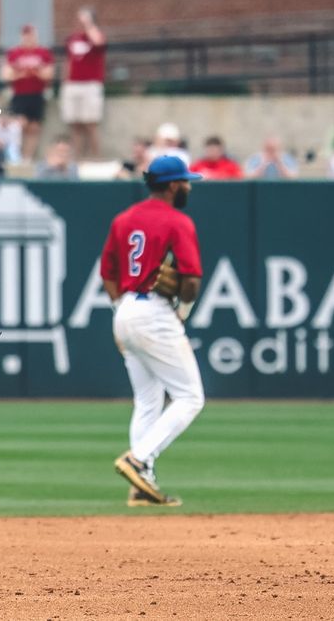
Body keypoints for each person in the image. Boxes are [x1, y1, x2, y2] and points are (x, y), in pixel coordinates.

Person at [99, 156, 204, 507]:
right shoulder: (178, 221)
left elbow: (108, 273)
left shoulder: (123, 219)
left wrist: (120, 312)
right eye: (186, 181)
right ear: (173, 185)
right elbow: (190, 278)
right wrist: (183, 311)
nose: (189, 186)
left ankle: (140, 485)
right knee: (190, 397)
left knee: (148, 400)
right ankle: (138, 459)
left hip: (126, 307)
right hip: (155, 313)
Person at [1, 24, 53, 162]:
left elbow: (48, 74)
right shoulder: (15, 53)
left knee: (34, 127)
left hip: (36, 94)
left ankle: (28, 157)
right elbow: (7, 74)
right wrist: (21, 74)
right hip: (20, 94)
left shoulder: (43, 53)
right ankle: (16, 156)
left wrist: (36, 72)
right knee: (19, 125)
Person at [60, 7, 106, 160]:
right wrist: (64, 80)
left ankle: (96, 157)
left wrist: (89, 25)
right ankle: (77, 159)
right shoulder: (72, 39)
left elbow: (98, 42)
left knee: (91, 123)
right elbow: (68, 61)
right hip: (73, 84)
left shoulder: (95, 35)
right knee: (75, 123)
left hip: (90, 84)